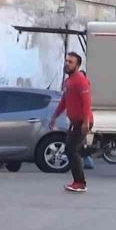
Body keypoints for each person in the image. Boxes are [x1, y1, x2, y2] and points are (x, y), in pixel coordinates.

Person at [48, 52, 94, 193]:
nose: (67, 64)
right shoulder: (68, 81)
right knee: (71, 149)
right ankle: (79, 178)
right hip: (75, 122)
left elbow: (87, 102)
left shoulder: (80, 80)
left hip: (83, 121)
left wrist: (86, 122)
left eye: (71, 62)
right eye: (66, 61)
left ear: (77, 65)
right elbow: (64, 101)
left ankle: (80, 183)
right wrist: (54, 116)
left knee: (72, 150)